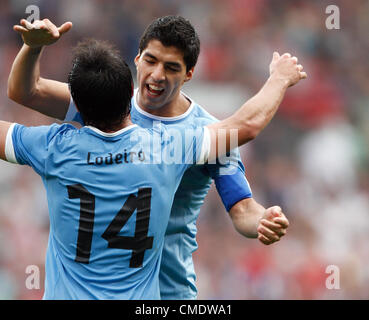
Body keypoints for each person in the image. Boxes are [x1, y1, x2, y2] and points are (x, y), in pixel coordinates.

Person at [8, 16, 305, 299]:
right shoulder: (108, 104)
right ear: (137, 58)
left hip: (169, 288)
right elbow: (28, 92)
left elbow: (242, 210)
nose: (157, 75)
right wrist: (278, 80)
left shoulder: (206, 132)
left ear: (189, 73)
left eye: (172, 67)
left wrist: (262, 221)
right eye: (151, 60)